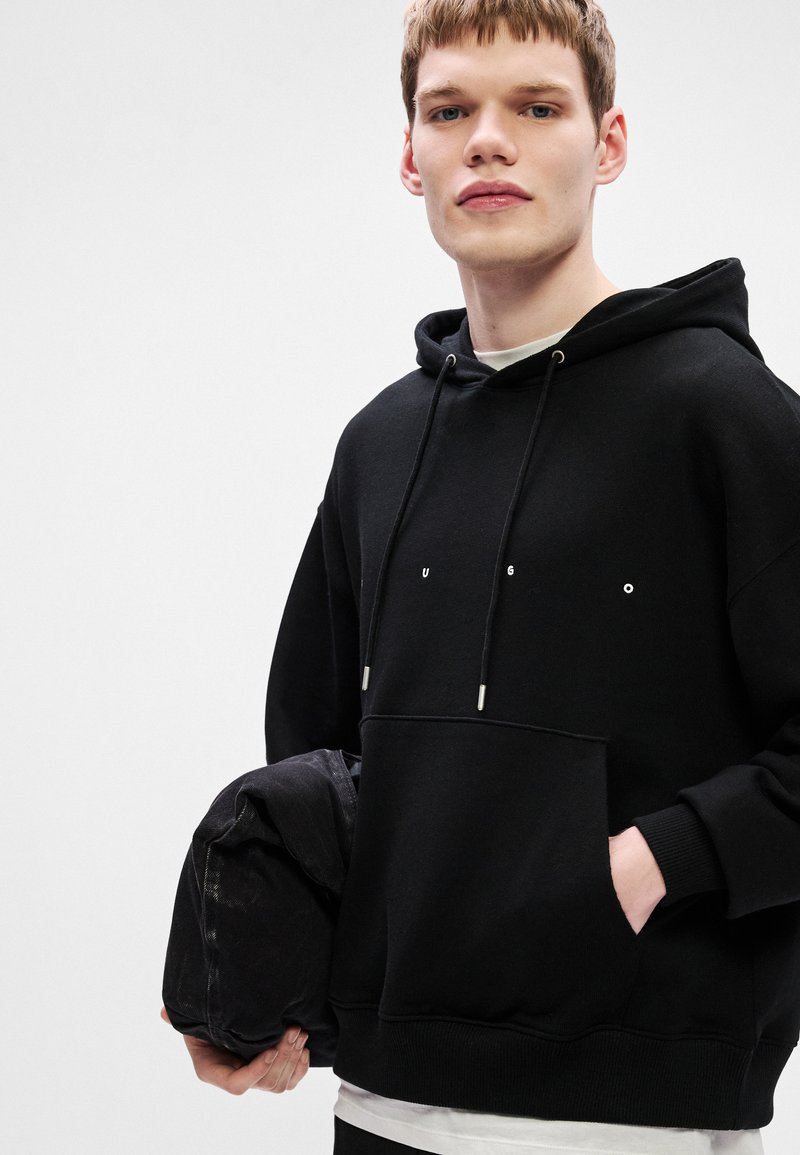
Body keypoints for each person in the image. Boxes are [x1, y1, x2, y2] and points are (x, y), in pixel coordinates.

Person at [165, 1, 800, 1152]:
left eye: (537, 107)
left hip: (626, 1115)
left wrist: (651, 862)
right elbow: (318, 762)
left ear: (607, 144)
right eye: (450, 110)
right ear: (410, 156)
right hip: (382, 1101)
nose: (488, 140)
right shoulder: (380, 443)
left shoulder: (720, 415)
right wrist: (269, 987)